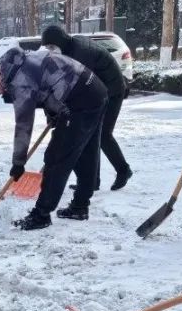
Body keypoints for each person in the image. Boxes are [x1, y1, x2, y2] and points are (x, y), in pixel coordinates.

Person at [0, 47, 108, 231]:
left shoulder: (18, 80)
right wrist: (55, 112)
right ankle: (80, 207)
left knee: (56, 158)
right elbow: (46, 85)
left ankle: (41, 215)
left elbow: (24, 125)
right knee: (85, 151)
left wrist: (18, 162)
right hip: (95, 89)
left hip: (80, 99)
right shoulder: (20, 62)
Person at [41, 25, 133, 191]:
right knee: (91, 136)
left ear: (60, 42)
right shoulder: (69, 48)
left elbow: (78, 87)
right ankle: (91, 182)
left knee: (102, 135)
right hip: (100, 91)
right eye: (47, 47)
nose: (50, 50)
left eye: (52, 46)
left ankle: (123, 170)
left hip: (112, 91)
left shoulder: (80, 54)